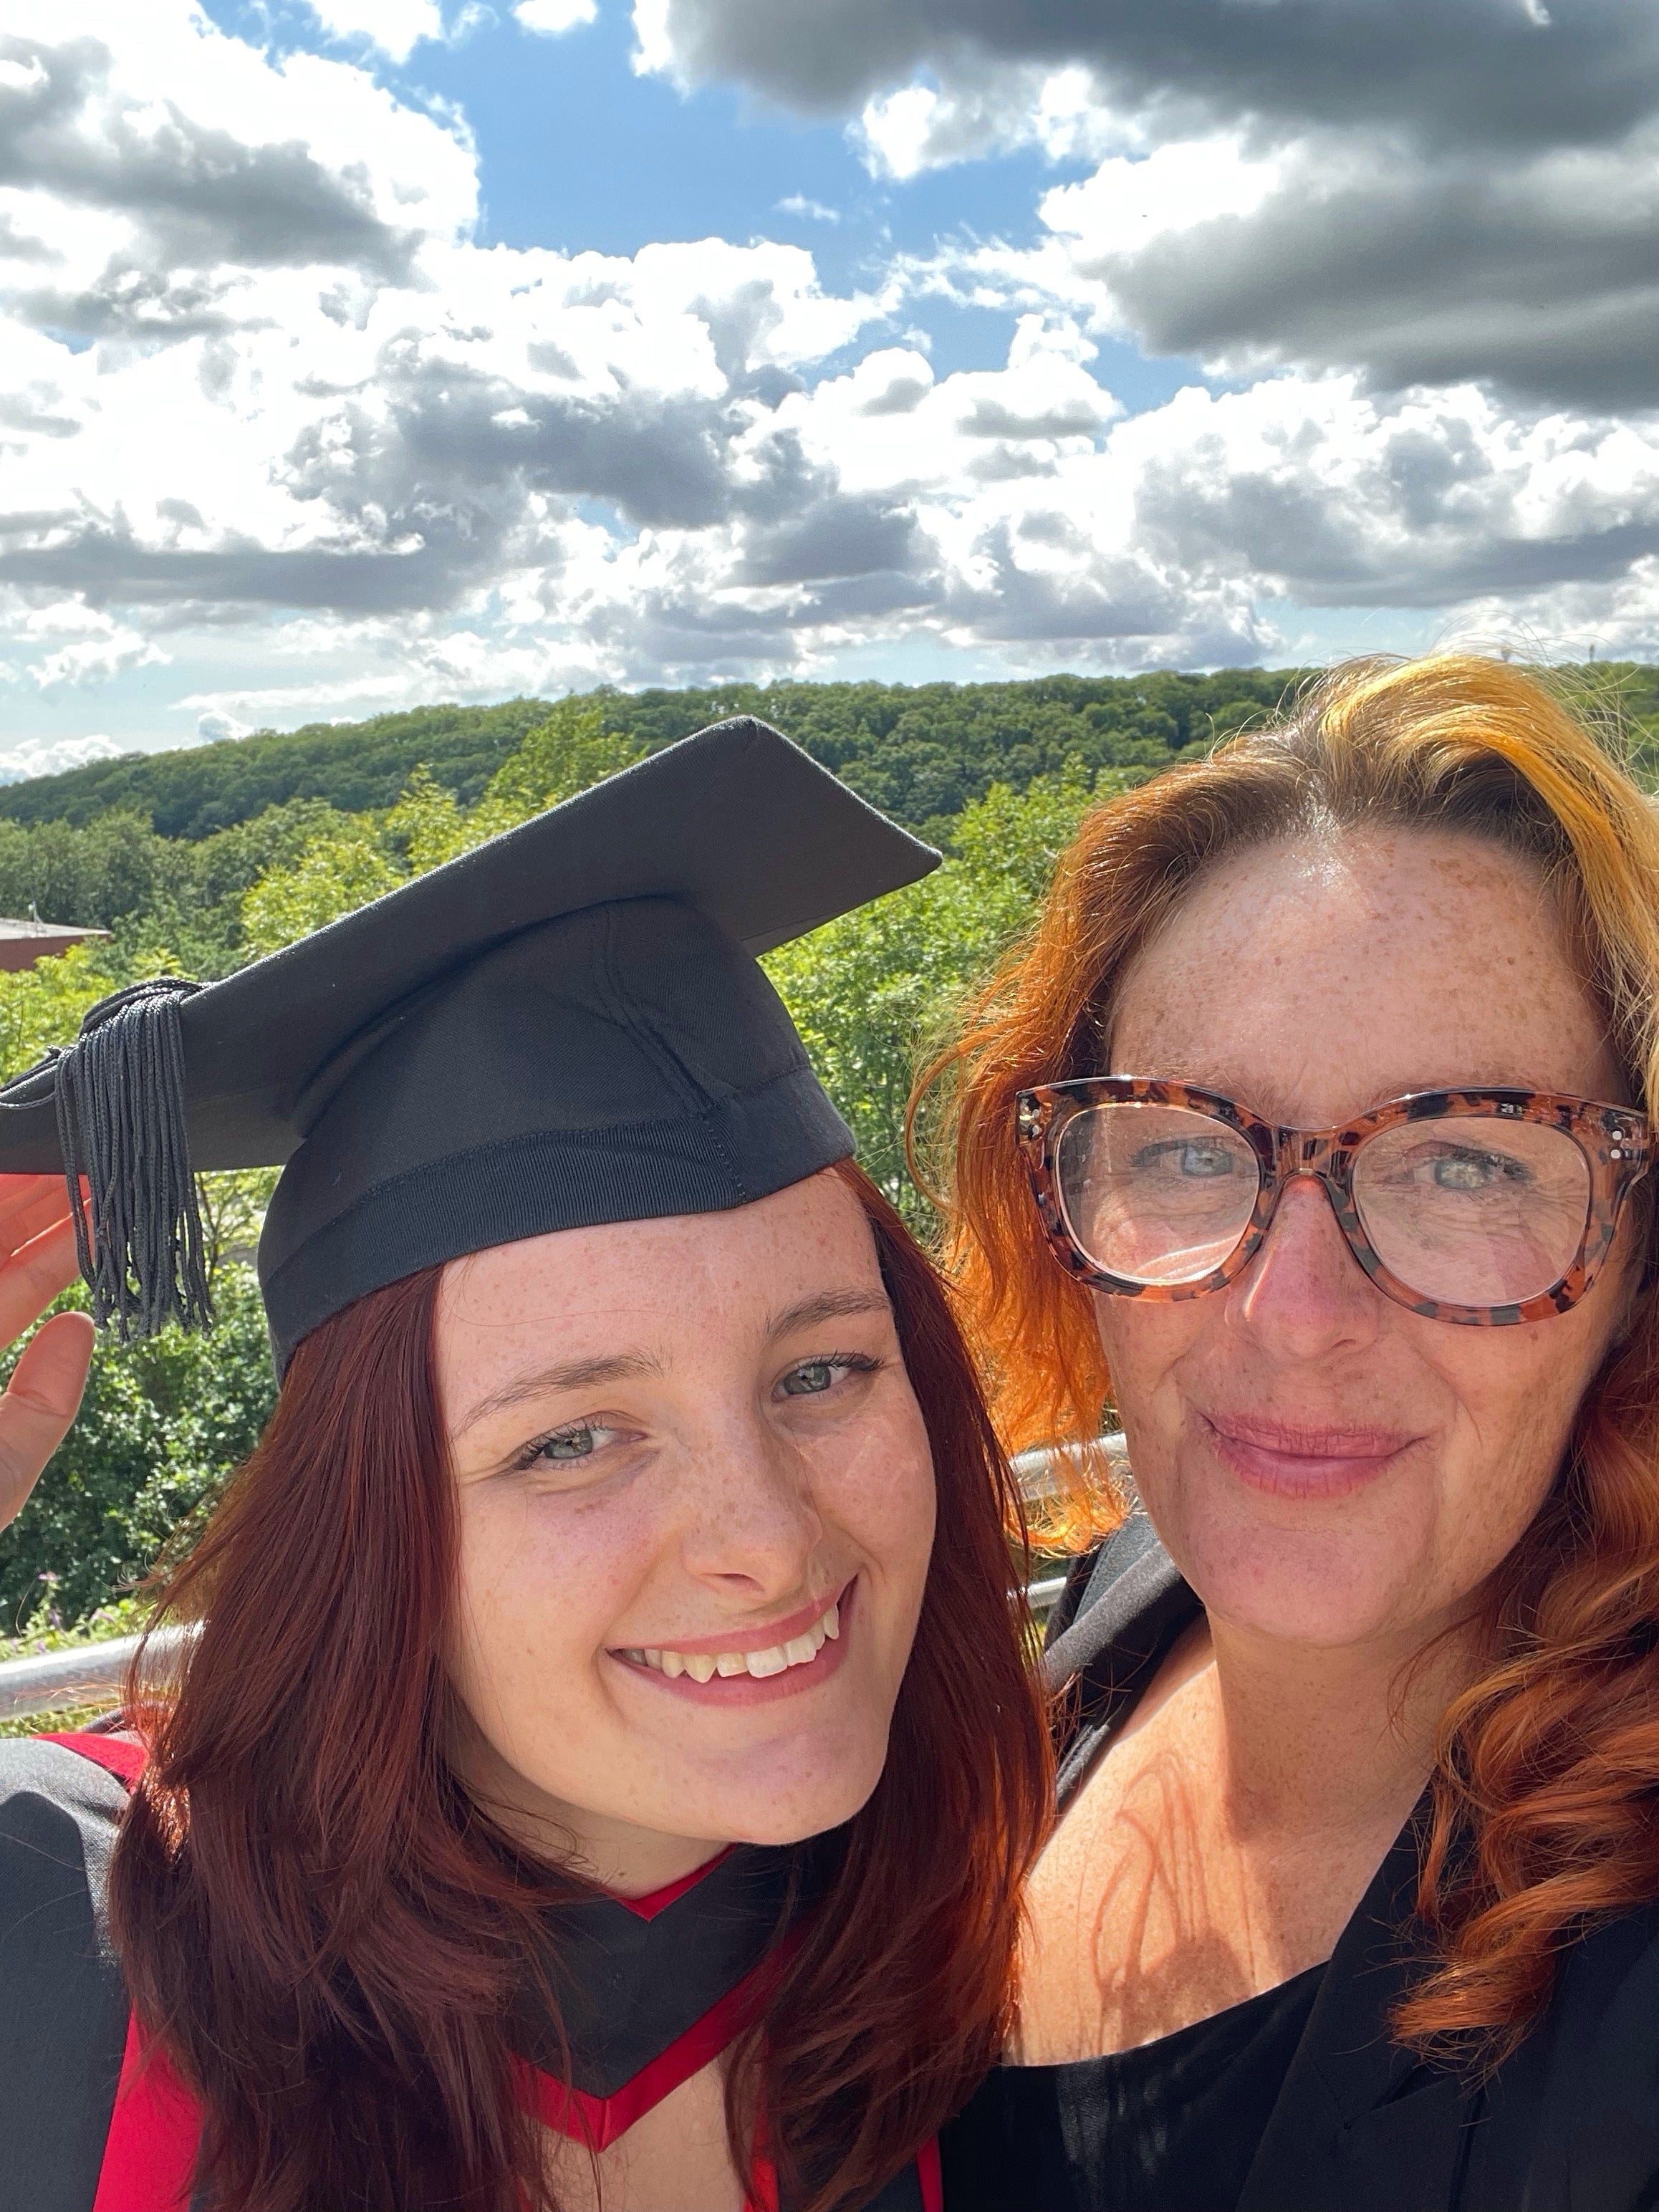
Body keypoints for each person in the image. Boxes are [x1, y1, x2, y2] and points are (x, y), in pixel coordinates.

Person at [0, 718, 1051, 2212]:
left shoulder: (975, 1990)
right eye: (572, 1437)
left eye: (821, 1370)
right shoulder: (61, 1927)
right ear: (370, 1529)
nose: (763, 1535)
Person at [928, 656, 1659, 2212]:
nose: (1292, 1310)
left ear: (1635, 1259)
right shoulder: (1133, 1596)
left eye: (1466, 1164)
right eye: (1192, 1148)